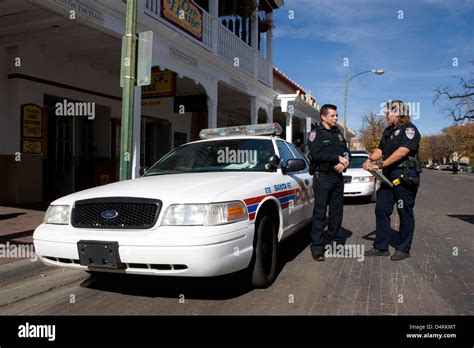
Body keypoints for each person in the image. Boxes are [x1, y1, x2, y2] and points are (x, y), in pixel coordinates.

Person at [363, 100, 422, 261]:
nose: (385, 115)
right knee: (381, 209)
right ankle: (381, 247)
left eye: (388, 112)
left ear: (398, 113)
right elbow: (380, 150)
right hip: (387, 178)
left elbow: (402, 152)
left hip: (404, 176)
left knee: (404, 212)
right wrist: (370, 159)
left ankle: (403, 249)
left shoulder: (409, 130)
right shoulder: (388, 131)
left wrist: (381, 164)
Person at [307, 104, 350, 261]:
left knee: (336, 213)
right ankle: (317, 247)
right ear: (323, 117)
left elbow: (346, 151)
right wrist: (337, 158)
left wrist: (345, 162)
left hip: (337, 177)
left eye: (336, 115)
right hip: (323, 176)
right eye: (332, 115)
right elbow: (316, 154)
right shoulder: (315, 134)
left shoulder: (338, 134)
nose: (336, 118)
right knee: (320, 213)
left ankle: (334, 242)